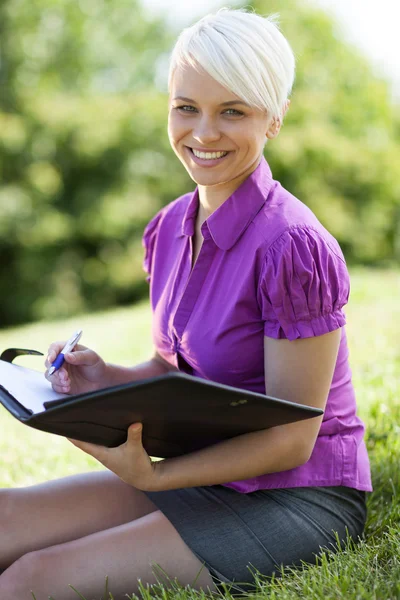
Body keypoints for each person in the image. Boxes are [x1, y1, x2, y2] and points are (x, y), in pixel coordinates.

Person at [0, 7, 372, 599]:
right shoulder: (171, 226)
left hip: (298, 494)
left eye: (233, 111)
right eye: (186, 107)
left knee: (30, 582)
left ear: (274, 118)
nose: (203, 133)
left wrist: (158, 475)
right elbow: (177, 374)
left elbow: (293, 438)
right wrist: (104, 377)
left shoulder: (294, 248)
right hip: (200, 464)